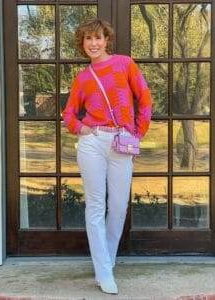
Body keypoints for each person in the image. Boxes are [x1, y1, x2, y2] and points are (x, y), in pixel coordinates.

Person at [62, 18, 152, 295]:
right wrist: (81, 128)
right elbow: (68, 114)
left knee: (119, 206)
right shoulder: (83, 78)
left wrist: (138, 133)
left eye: (98, 38)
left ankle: (107, 262)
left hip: (121, 142)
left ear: (106, 39)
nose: (93, 43)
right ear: (83, 43)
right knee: (96, 206)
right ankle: (104, 271)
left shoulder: (125, 64)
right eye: (88, 39)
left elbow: (145, 98)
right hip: (93, 143)